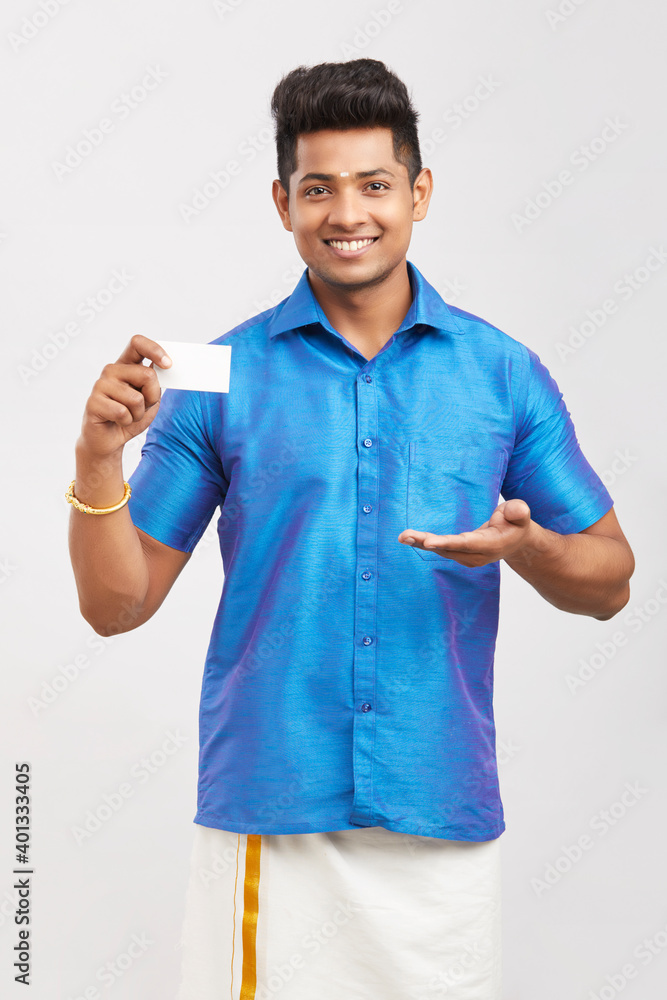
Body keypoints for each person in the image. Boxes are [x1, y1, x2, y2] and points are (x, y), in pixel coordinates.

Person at [67, 58, 635, 1000]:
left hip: (440, 814)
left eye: (375, 185)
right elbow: (116, 605)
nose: (348, 213)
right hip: (274, 818)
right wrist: (96, 460)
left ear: (418, 193)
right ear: (281, 201)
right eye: (318, 188)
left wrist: (525, 546)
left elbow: (611, 582)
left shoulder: (502, 373)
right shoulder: (220, 374)